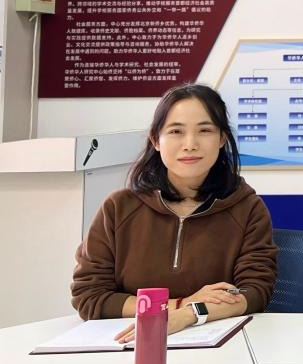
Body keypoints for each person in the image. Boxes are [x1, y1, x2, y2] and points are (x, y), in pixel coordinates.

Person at [71, 83, 278, 341]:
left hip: (217, 346)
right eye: (176, 131)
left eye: (205, 130)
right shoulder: (118, 208)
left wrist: (188, 315)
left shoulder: (247, 208)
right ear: (155, 140)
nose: (190, 144)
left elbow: (254, 293)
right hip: (128, 344)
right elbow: (90, 296)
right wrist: (177, 305)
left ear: (222, 138)